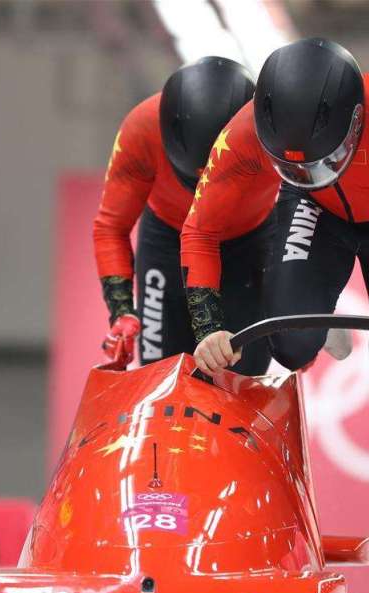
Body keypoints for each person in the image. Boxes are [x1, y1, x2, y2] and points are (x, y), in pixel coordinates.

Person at [181, 38, 369, 573]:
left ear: (355, 125)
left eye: (323, 160)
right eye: (295, 165)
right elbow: (200, 229)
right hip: (315, 212)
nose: (311, 169)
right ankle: (321, 318)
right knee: (289, 343)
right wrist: (207, 324)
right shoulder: (241, 136)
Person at [93, 56, 273, 374]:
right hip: (168, 241)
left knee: (241, 376)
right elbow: (111, 226)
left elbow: (310, 206)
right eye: (196, 179)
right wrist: (121, 311)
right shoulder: (141, 129)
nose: (206, 192)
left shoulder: (273, 135)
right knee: (160, 374)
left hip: (247, 244)